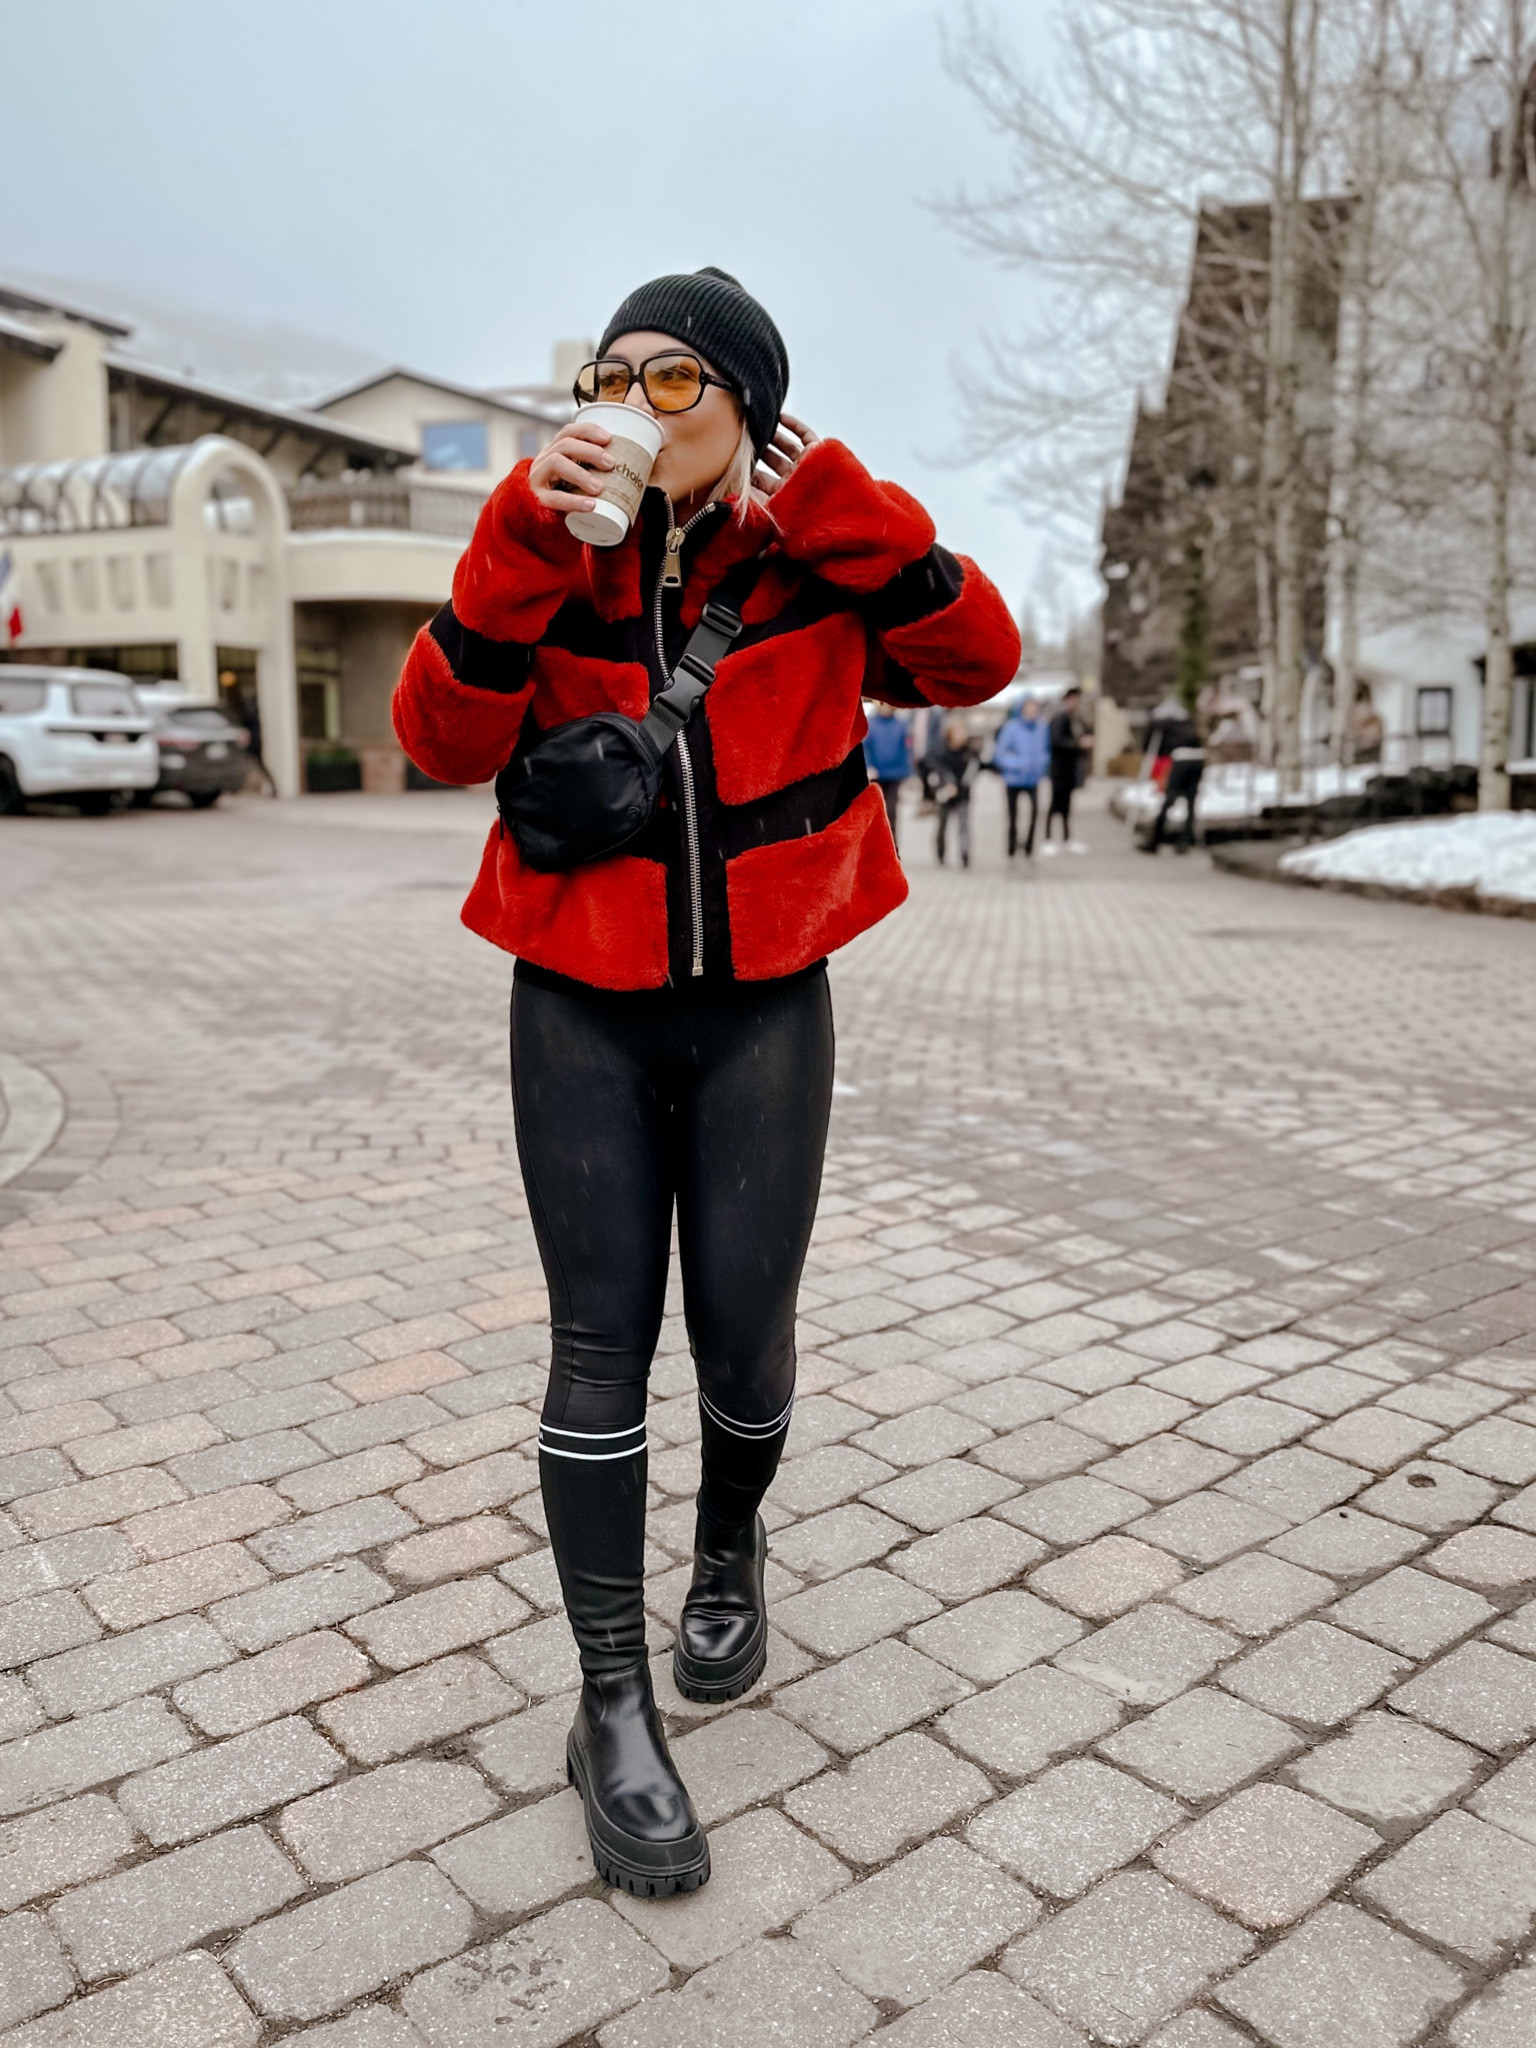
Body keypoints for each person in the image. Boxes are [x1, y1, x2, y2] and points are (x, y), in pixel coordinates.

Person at [391, 267, 1019, 1899]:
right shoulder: (542, 552)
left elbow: (975, 661)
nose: (630, 403)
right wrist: (521, 545)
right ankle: (608, 1705)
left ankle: (729, 1540)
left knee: (744, 1340)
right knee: (597, 1342)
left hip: (762, 1006)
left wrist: (845, 508)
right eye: (611, 373)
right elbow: (440, 739)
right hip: (576, 1002)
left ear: (747, 411)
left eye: (677, 381)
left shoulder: (814, 551)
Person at [1140, 704, 1206, 854]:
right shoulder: (1187, 722)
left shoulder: (1161, 722)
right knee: (1191, 800)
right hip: (1198, 758)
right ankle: (1185, 840)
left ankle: (1155, 841)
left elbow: (1149, 742)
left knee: (1169, 798)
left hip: (1181, 758)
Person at [991, 693, 1050, 858]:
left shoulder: (1042, 728)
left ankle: (1029, 847)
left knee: (1034, 813)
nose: (1033, 710)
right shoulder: (1011, 727)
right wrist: (1018, 765)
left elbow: (1045, 750)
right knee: (1013, 816)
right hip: (1013, 779)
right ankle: (1011, 846)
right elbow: (1000, 754)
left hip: (1033, 779)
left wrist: (1041, 765)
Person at [863, 701, 912, 849]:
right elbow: (865, 748)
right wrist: (869, 766)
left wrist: (908, 773)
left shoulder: (901, 725)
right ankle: (875, 846)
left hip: (895, 774)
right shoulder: (870, 724)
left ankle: (892, 846)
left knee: (891, 811)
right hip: (876, 775)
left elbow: (906, 750)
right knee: (875, 812)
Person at [933, 713, 980, 867]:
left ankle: (965, 854)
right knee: (942, 824)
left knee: (963, 825)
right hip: (946, 793)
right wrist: (948, 783)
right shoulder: (942, 750)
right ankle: (940, 853)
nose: (961, 735)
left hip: (963, 794)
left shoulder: (970, 752)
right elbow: (939, 768)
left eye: (963, 731)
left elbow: (974, 769)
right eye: (958, 731)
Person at [1044, 686, 1087, 852]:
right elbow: (1056, 741)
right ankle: (1048, 837)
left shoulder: (1076, 719)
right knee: (1055, 804)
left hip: (1070, 769)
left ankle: (1066, 837)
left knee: (1067, 805)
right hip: (1058, 769)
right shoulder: (1059, 718)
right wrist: (1078, 744)